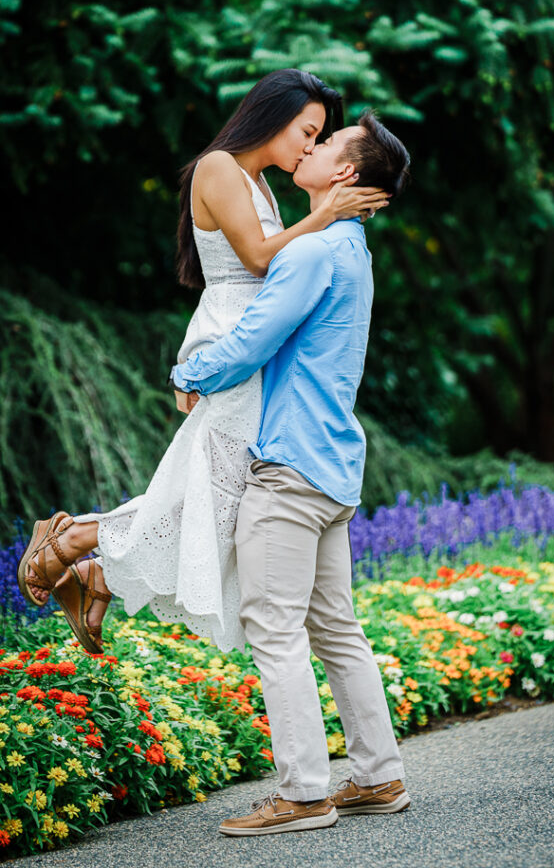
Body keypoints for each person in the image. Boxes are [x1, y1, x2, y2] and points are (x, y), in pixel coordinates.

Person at [17, 70, 389, 653]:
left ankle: (91, 565)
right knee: (217, 492)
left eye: (319, 137)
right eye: (307, 131)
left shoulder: (260, 182)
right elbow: (261, 260)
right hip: (233, 340)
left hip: (253, 343)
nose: (311, 147)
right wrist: (327, 215)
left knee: (220, 492)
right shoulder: (219, 166)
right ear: (274, 114)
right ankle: (72, 547)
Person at [170, 111, 411, 836]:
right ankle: (378, 776)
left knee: (273, 628)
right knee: (336, 629)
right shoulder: (349, 246)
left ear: (344, 174)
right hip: (331, 465)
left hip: (290, 468)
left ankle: (304, 795)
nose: (312, 144)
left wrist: (187, 371)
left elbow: (250, 341)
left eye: (328, 142)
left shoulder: (310, 255)